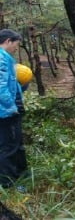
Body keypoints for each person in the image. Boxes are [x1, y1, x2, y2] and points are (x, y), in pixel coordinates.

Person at [0, 29, 30, 189]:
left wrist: (21, 86)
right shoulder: (1, 58)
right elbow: (0, 87)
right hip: (5, 113)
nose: (16, 49)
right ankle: (8, 183)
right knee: (8, 147)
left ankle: (20, 174)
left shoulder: (6, 58)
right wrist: (11, 107)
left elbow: (9, 83)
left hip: (10, 110)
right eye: (15, 45)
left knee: (16, 143)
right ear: (8, 41)